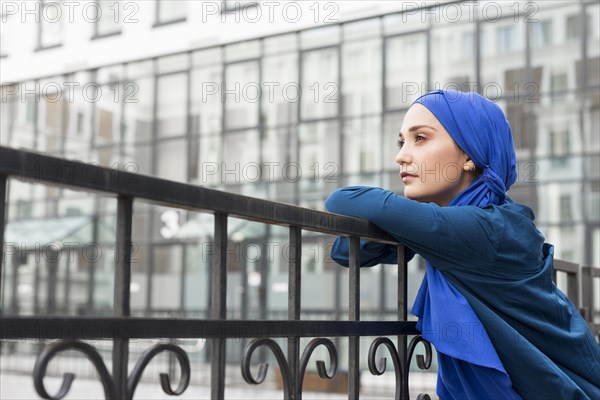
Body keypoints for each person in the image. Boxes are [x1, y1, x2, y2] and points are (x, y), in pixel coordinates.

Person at [325, 90, 600, 399]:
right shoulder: (472, 224)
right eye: (402, 141)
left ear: (469, 156)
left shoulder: (485, 229)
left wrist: (407, 217)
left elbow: (341, 198)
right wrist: (410, 224)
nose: (401, 156)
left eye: (421, 139)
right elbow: (346, 253)